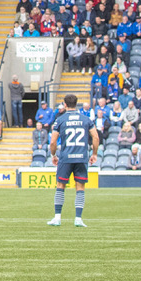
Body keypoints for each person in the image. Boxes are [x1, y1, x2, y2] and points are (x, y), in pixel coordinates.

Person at [47, 94, 98, 228]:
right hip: (81, 157)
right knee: (80, 187)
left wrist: (53, 155)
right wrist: (94, 154)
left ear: (64, 104)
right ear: (77, 104)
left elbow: (53, 142)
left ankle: (57, 218)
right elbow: (96, 137)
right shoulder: (86, 119)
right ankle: (78, 218)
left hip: (66, 157)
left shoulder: (60, 120)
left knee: (60, 186)